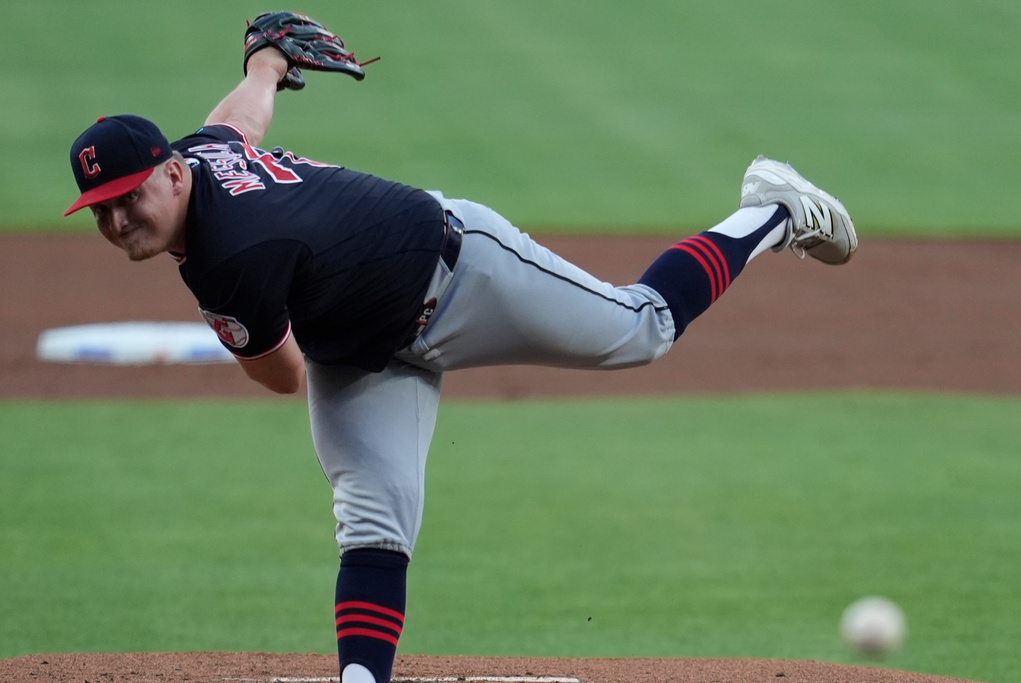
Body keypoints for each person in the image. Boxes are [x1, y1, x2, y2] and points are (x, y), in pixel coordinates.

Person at [65, 46, 856, 683]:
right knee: (372, 516)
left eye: (129, 195)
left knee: (641, 327)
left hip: (461, 272)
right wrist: (265, 66)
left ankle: (773, 208)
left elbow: (282, 375)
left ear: (172, 172)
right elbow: (235, 124)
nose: (117, 218)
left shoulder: (230, 258)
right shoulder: (201, 157)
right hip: (365, 343)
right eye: (101, 208)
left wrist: (237, 317)